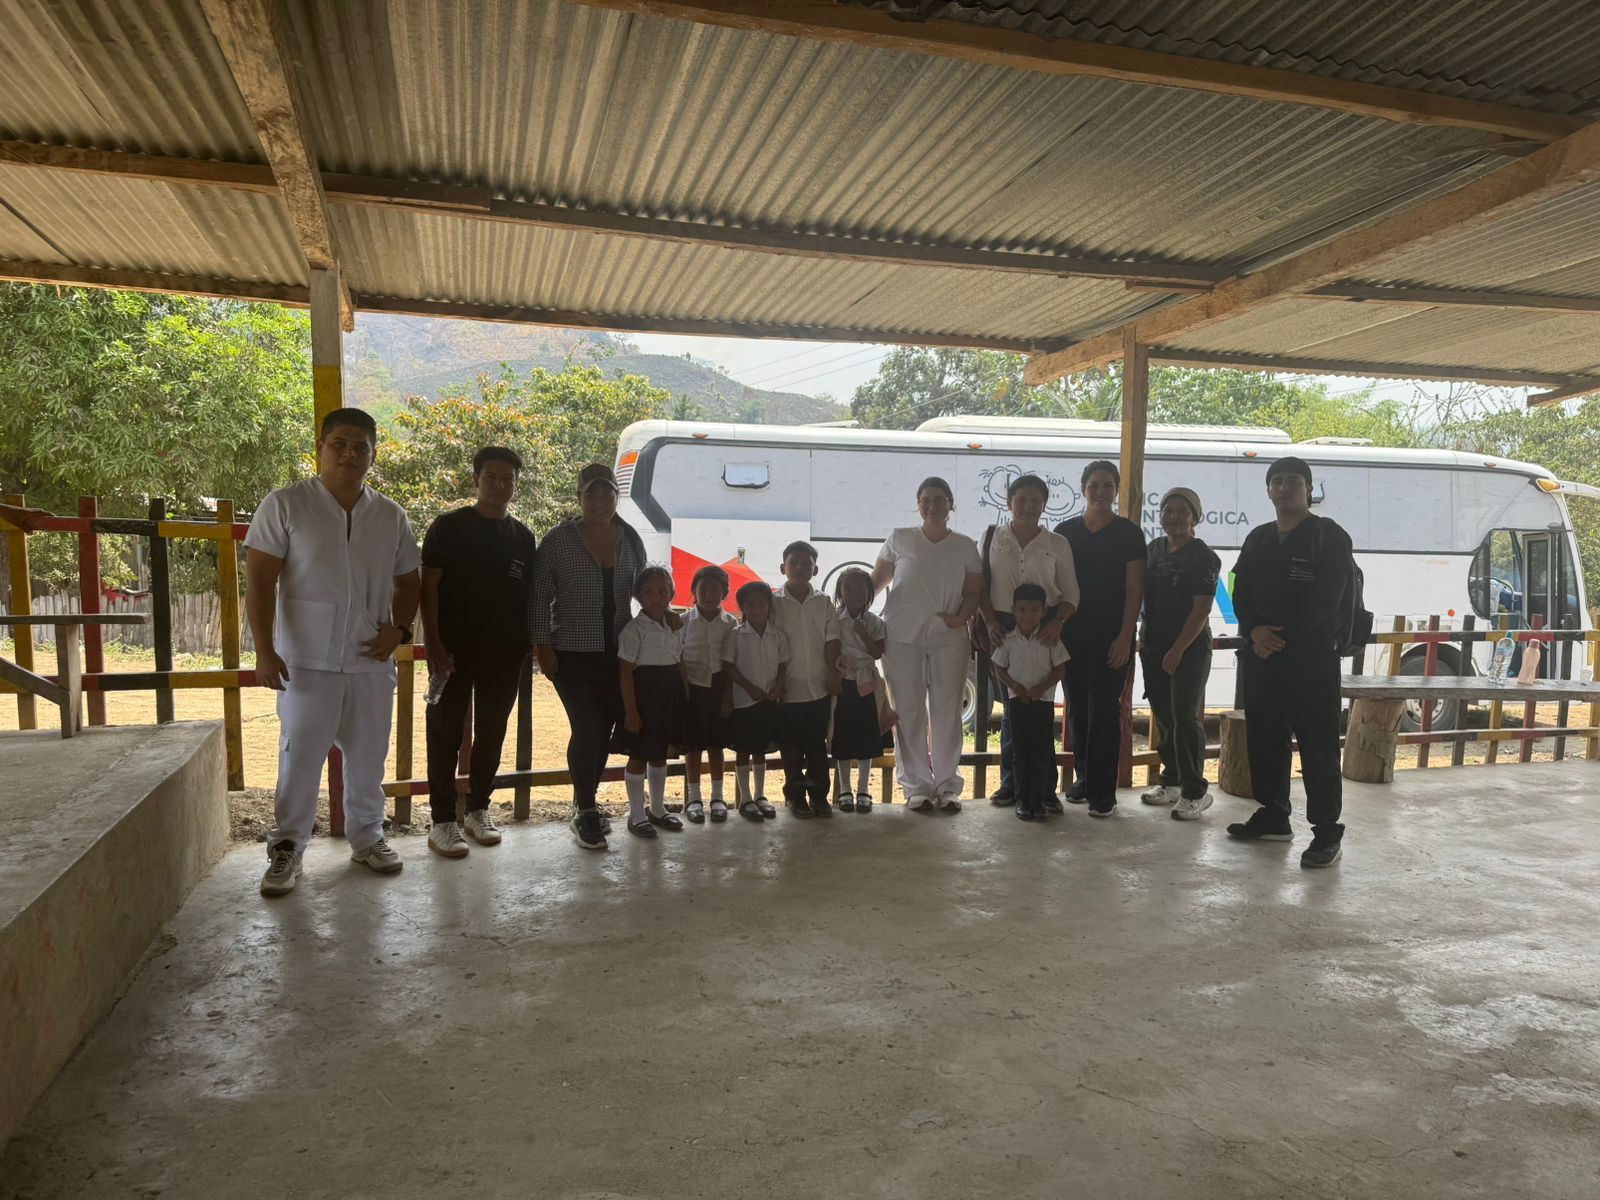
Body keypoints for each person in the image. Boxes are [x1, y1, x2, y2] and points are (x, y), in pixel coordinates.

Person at [246, 407, 421, 897]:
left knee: (368, 757)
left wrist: (399, 630)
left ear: (373, 455)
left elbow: (409, 580)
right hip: (304, 662)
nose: (349, 454)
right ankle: (287, 847)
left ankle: (368, 838)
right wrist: (265, 651)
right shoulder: (286, 505)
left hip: (370, 660)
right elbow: (259, 581)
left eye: (360, 447)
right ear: (320, 448)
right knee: (300, 758)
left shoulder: (389, 515)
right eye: (339, 444)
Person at [1227, 456, 1353, 869]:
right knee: (1265, 739)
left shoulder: (1328, 535)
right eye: (1277, 481)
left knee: (1318, 746)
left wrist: (1277, 639)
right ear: (1268, 491)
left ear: (1309, 489)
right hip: (1262, 658)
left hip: (1311, 660)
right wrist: (1254, 631)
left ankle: (1326, 832)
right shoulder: (1258, 538)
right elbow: (1239, 590)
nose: (1284, 488)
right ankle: (1274, 815)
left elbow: (1327, 600)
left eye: (1293, 482)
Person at [418, 446, 537, 860]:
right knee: (444, 733)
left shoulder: (523, 537)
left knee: (492, 733)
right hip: (450, 653)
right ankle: (442, 820)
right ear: (476, 480)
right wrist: (433, 644)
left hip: (504, 653)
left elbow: (526, 596)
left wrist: (525, 646)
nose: (499, 485)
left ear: (516, 484)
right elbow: (429, 588)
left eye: (508, 479)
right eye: (491, 477)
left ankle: (477, 810)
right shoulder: (448, 528)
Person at [531, 463, 649, 852]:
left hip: (617, 651)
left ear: (617, 496)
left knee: (606, 726)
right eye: (591, 494)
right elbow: (538, 596)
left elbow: (643, 590)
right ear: (579, 498)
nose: (600, 501)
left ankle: (587, 803)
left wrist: (662, 619)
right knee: (589, 724)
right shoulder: (558, 540)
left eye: (607, 494)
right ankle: (584, 809)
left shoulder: (630, 538)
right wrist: (543, 646)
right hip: (571, 651)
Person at [873, 477, 982, 812]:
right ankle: (916, 787)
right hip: (901, 636)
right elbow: (874, 583)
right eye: (926, 500)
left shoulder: (965, 545)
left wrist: (961, 617)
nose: (932, 506)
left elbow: (973, 592)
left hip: (949, 637)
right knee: (907, 711)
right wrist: (849, 615)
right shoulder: (900, 538)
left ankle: (947, 786)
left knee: (947, 711)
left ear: (950, 504)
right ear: (918, 505)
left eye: (939, 499)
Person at [977, 473, 1080, 813]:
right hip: (1002, 626)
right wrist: (991, 622)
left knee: (1040, 712)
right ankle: (1013, 785)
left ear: (1045, 504)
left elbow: (1071, 594)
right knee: (1013, 709)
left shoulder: (1057, 543)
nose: (1028, 506)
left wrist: (1057, 623)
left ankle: (1045, 790)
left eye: (1036, 500)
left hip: (1045, 627)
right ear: (1009, 502)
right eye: (1021, 500)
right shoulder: (991, 537)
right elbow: (980, 587)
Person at [1054, 460, 1145, 817]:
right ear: (1083, 489)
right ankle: (1084, 777)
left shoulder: (1129, 533)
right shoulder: (1065, 532)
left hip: (1112, 635)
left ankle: (1103, 791)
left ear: (1116, 490)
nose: (1101, 491)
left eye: (1108, 485)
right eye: (1094, 485)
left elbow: (1134, 588)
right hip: (1072, 634)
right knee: (1076, 707)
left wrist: (1125, 636)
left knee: (1105, 710)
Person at [1139, 487, 1220, 822]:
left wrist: (1177, 650)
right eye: (1167, 510)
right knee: (1164, 715)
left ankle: (1195, 791)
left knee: (1185, 716)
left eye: (1182, 511)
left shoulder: (1204, 557)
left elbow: (1201, 609)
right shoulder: (1154, 549)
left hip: (1188, 648)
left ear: (1195, 518)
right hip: (1153, 645)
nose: (1173, 517)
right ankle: (1171, 781)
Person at [771, 541, 841, 818]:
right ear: (783, 568)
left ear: (815, 569)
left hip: (818, 687)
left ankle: (819, 797)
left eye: (806, 564)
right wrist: (777, 681)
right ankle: (795, 798)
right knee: (790, 748)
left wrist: (833, 674)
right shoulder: (773, 603)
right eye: (794, 563)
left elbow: (831, 640)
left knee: (816, 746)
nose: (800, 568)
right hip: (787, 688)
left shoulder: (824, 602)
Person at [618, 565, 688, 840]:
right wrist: (631, 711)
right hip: (644, 698)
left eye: (662, 591)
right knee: (639, 755)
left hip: (669, 696)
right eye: (648, 592)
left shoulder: (674, 625)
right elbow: (625, 673)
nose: (656, 597)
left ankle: (657, 809)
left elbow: (679, 661)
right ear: (638, 596)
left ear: (671, 594)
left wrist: (685, 694)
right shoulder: (634, 629)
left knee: (659, 754)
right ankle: (636, 815)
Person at [991, 583, 1069, 821]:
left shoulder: (1050, 639)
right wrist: (1014, 686)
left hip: (1043, 703)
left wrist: (1041, 688)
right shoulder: (1008, 640)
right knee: (1020, 753)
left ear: (1043, 612)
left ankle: (1040, 800)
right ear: (1013, 610)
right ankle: (1022, 800)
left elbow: (1060, 669)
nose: (1028, 616)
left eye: (1034, 610)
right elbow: (999, 667)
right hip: (1017, 703)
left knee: (1041, 752)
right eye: (1022, 610)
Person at [722, 581, 788, 822]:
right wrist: (749, 688)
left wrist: (778, 686)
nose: (756, 608)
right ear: (742, 607)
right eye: (750, 604)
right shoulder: (736, 635)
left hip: (768, 701)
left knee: (760, 749)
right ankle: (746, 799)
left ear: (769, 606)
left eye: (761, 603)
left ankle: (760, 796)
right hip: (744, 702)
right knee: (743, 750)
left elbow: (783, 664)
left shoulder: (777, 635)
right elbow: (728, 666)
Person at [830, 567, 891, 812]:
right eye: (848, 588)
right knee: (842, 736)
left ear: (869, 592)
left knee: (867, 737)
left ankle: (864, 789)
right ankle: (845, 790)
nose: (854, 593)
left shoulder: (875, 622)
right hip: (843, 681)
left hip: (867, 683)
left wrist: (864, 633)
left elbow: (877, 653)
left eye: (859, 588)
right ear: (840, 592)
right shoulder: (834, 620)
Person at [681, 565, 736, 823]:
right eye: (703, 588)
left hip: (719, 686)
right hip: (691, 687)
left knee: (716, 743)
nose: (709, 594)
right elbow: (678, 657)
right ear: (693, 590)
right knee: (693, 745)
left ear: (724, 593)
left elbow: (733, 662)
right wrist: (683, 692)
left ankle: (717, 797)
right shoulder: (683, 621)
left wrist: (728, 695)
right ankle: (693, 798)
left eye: (715, 589)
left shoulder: (731, 624)